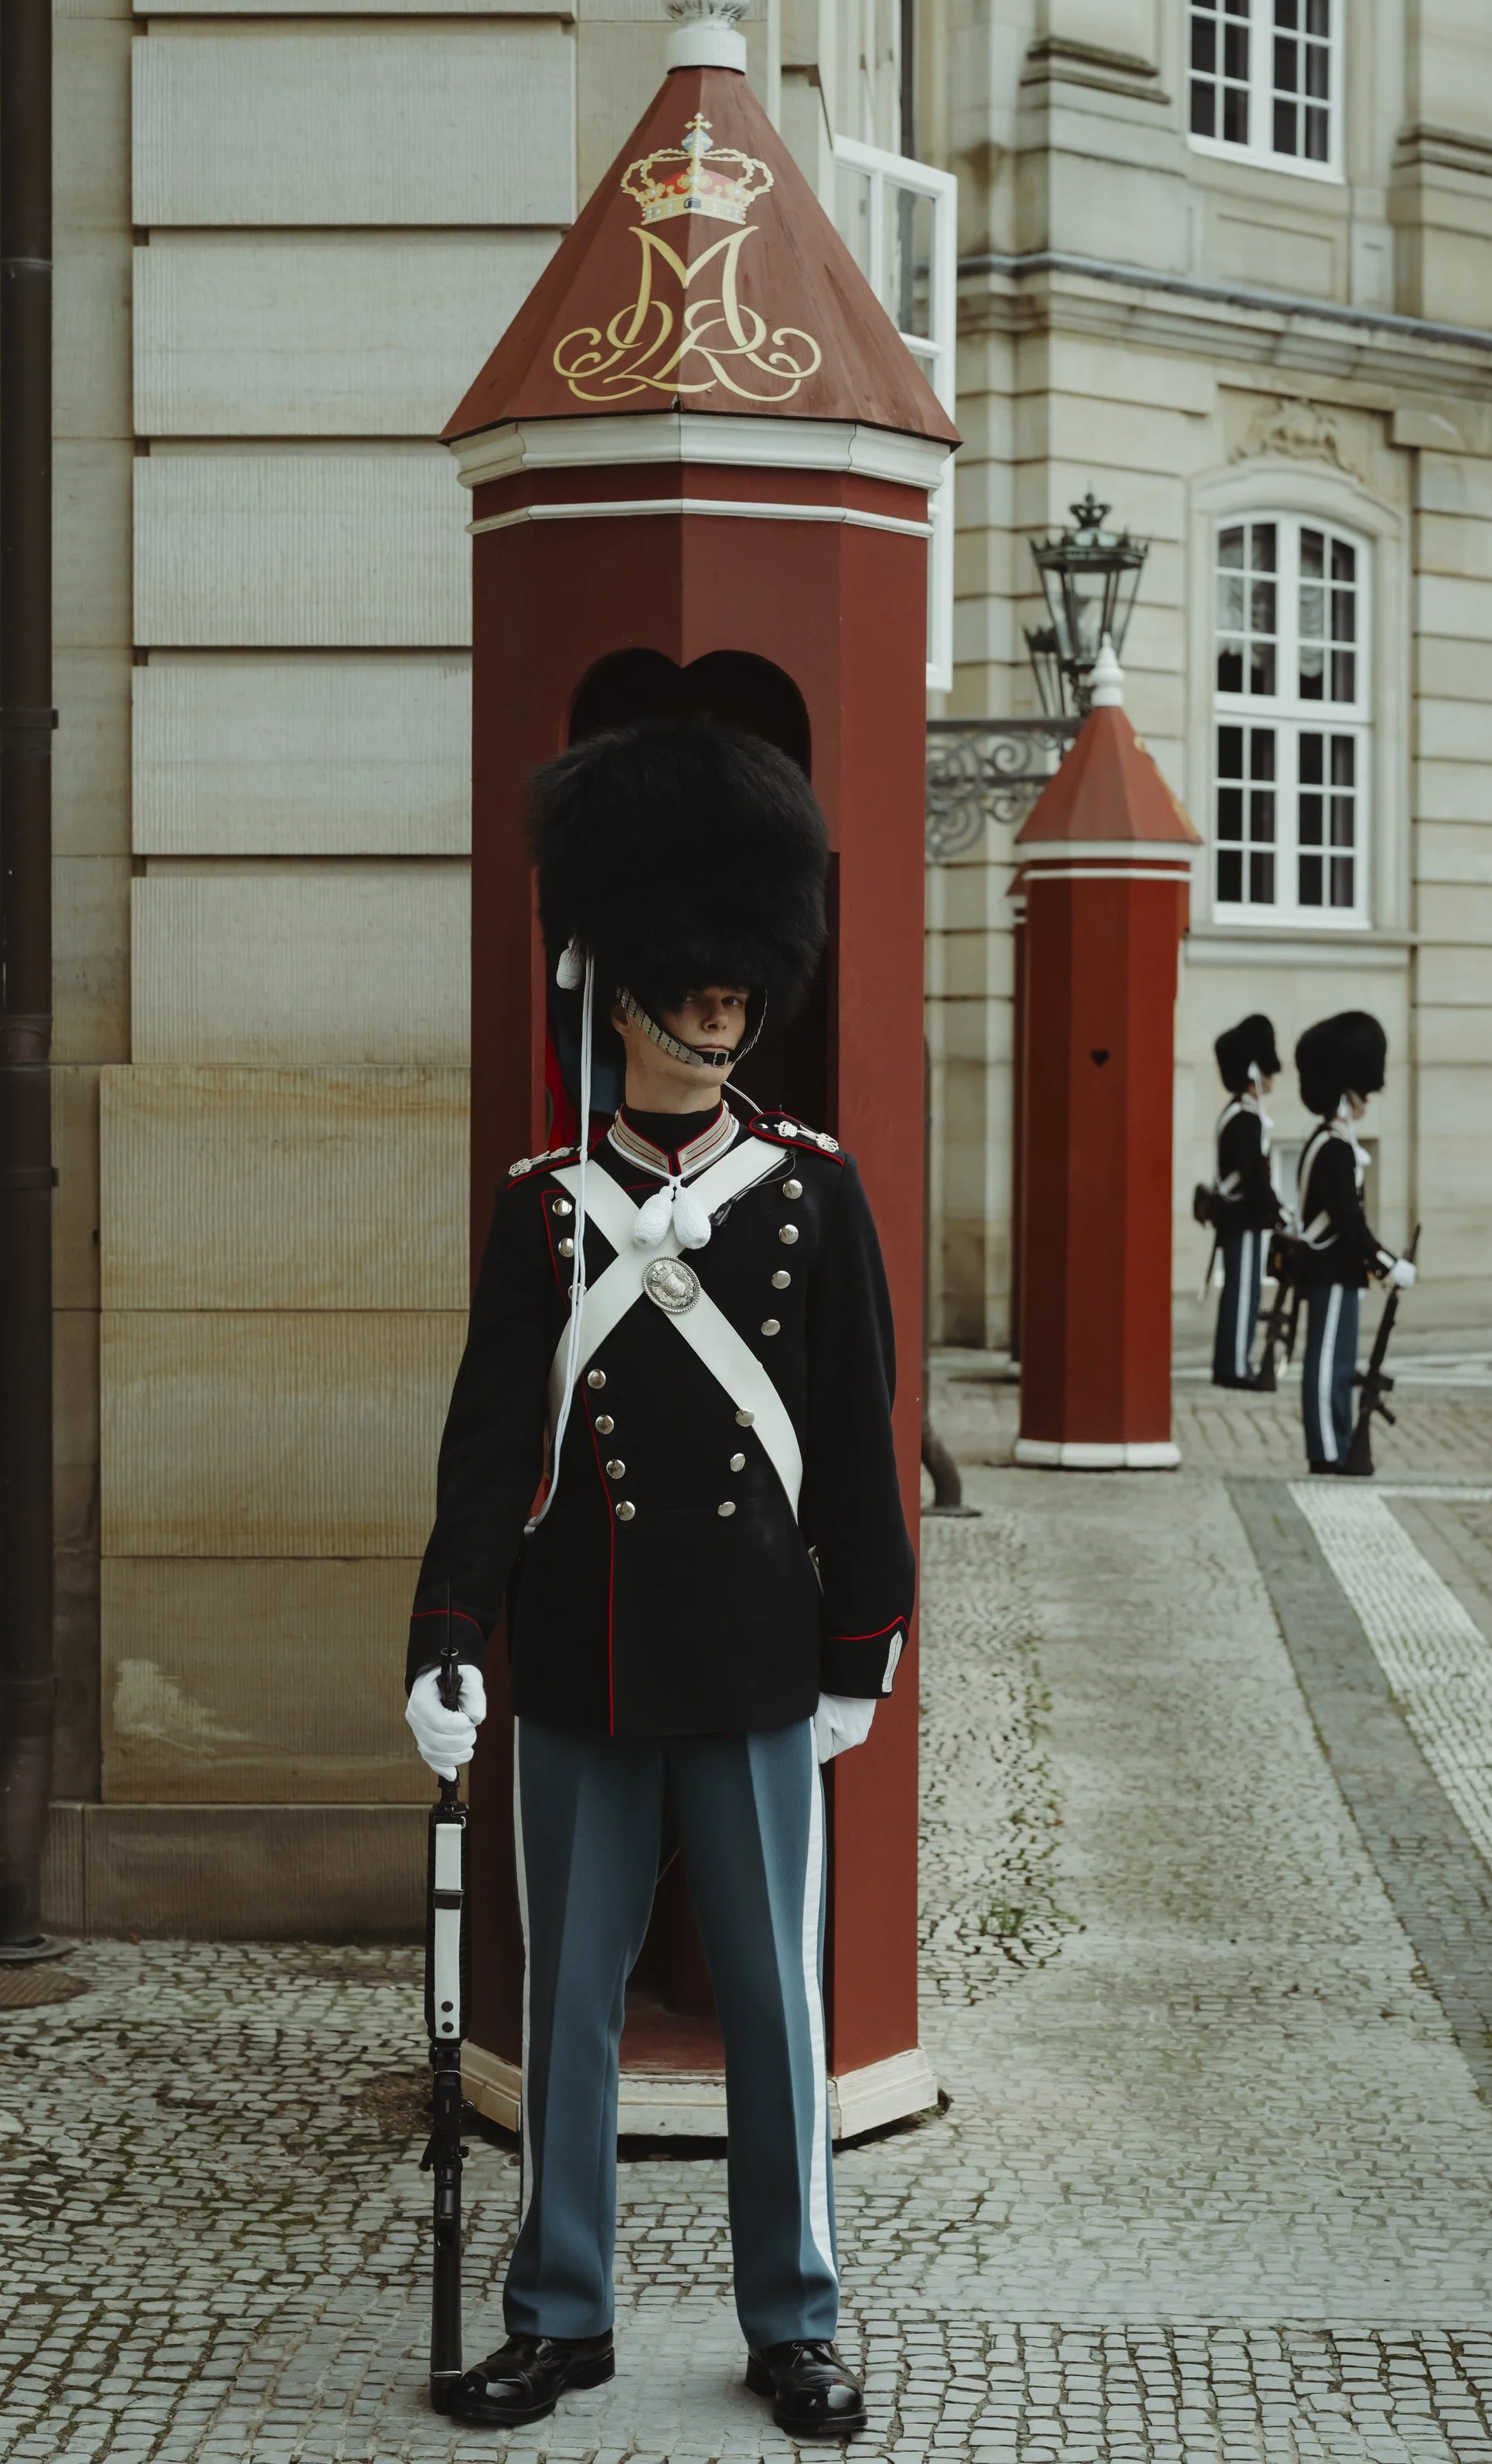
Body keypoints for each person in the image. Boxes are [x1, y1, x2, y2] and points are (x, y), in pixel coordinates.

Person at [402, 714, 914, 2442]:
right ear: (614, 979)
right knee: (567, 2008)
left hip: (763, 1657)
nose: (716, 1003)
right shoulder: (542, 1208)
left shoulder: (811, 1195)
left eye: (732, 977)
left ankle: (795, 2315)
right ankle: (562, 2311)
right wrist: (450, 1632)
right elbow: (491, 1446)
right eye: (686, 974)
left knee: (776, 2004)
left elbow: (855, 1435)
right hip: (590, 1658)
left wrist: (862, 1642)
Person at [1290, 1010, 1416, 1471]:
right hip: (1331, 1269)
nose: (1366, 1101)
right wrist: (1386, 1263)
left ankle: (1338, 1443)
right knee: (1327, 1365)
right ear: (1345, 1095)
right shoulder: (1334, 1147)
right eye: (1361, 1093)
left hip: (1337, 1270)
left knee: (1340, 1364)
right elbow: (1348, 1220)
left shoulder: (1336, 1142)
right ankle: (1326, 1450)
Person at [1209, 1014, 1284, 1389]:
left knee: (1244, 1291)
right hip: (1243, 1217)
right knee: (1243, 1294)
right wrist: (1277, 1210)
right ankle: (1234, 1366)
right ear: (1254, 1071)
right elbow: (1253, 1176)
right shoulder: (1246, 1118)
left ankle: (1233, 1362)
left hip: (1241, 1216)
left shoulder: (1243, 1114)